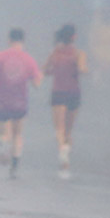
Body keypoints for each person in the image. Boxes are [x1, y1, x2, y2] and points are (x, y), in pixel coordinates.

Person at [0, 28, 41, 178]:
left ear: (9, 40)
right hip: (20, 102)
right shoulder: (29, 59)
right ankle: (15, 165)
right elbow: (37, 83)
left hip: (2, 101)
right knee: (18, 134)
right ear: (23, 41)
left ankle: (4, 145)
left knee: (4, 131)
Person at [44, 23, 88, 179]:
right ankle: (66, 151)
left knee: (59, 128)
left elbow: (45, 70)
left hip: (58, 93)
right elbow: (82, 70)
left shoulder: (54, 53)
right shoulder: (79, 54)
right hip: (74, 93)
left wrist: (55, 70)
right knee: (69, 129)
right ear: (74, 37)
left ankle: (63, 154)